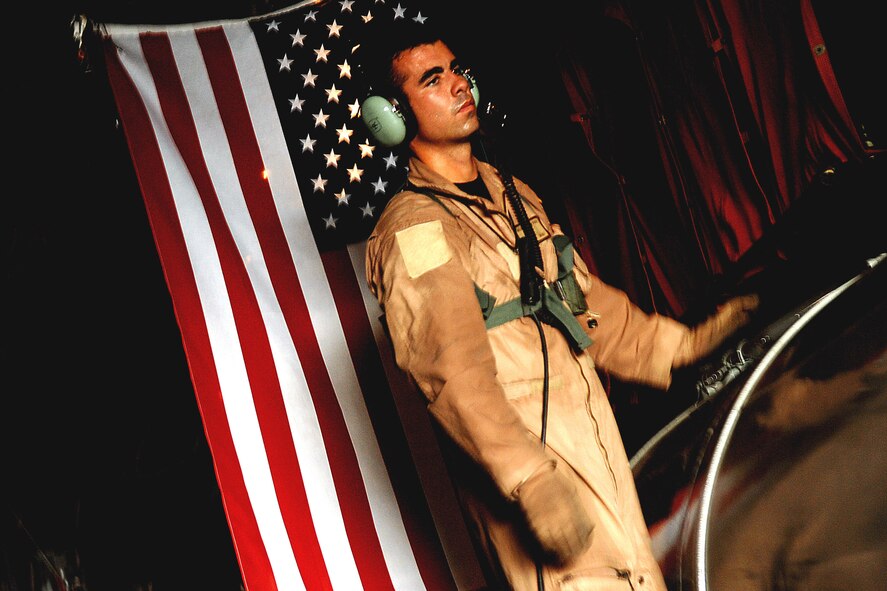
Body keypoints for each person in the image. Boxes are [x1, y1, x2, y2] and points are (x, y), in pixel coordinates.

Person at [360, 22, 759, 591]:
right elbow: (450, 371)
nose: (457, 85)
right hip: (538, 485)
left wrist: (681, 347)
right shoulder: (415, 228)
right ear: (391, 118)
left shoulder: (514, 195)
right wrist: (529, 479)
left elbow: (581, 300)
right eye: (431, 79)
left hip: (595, 452)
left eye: (455, 69)